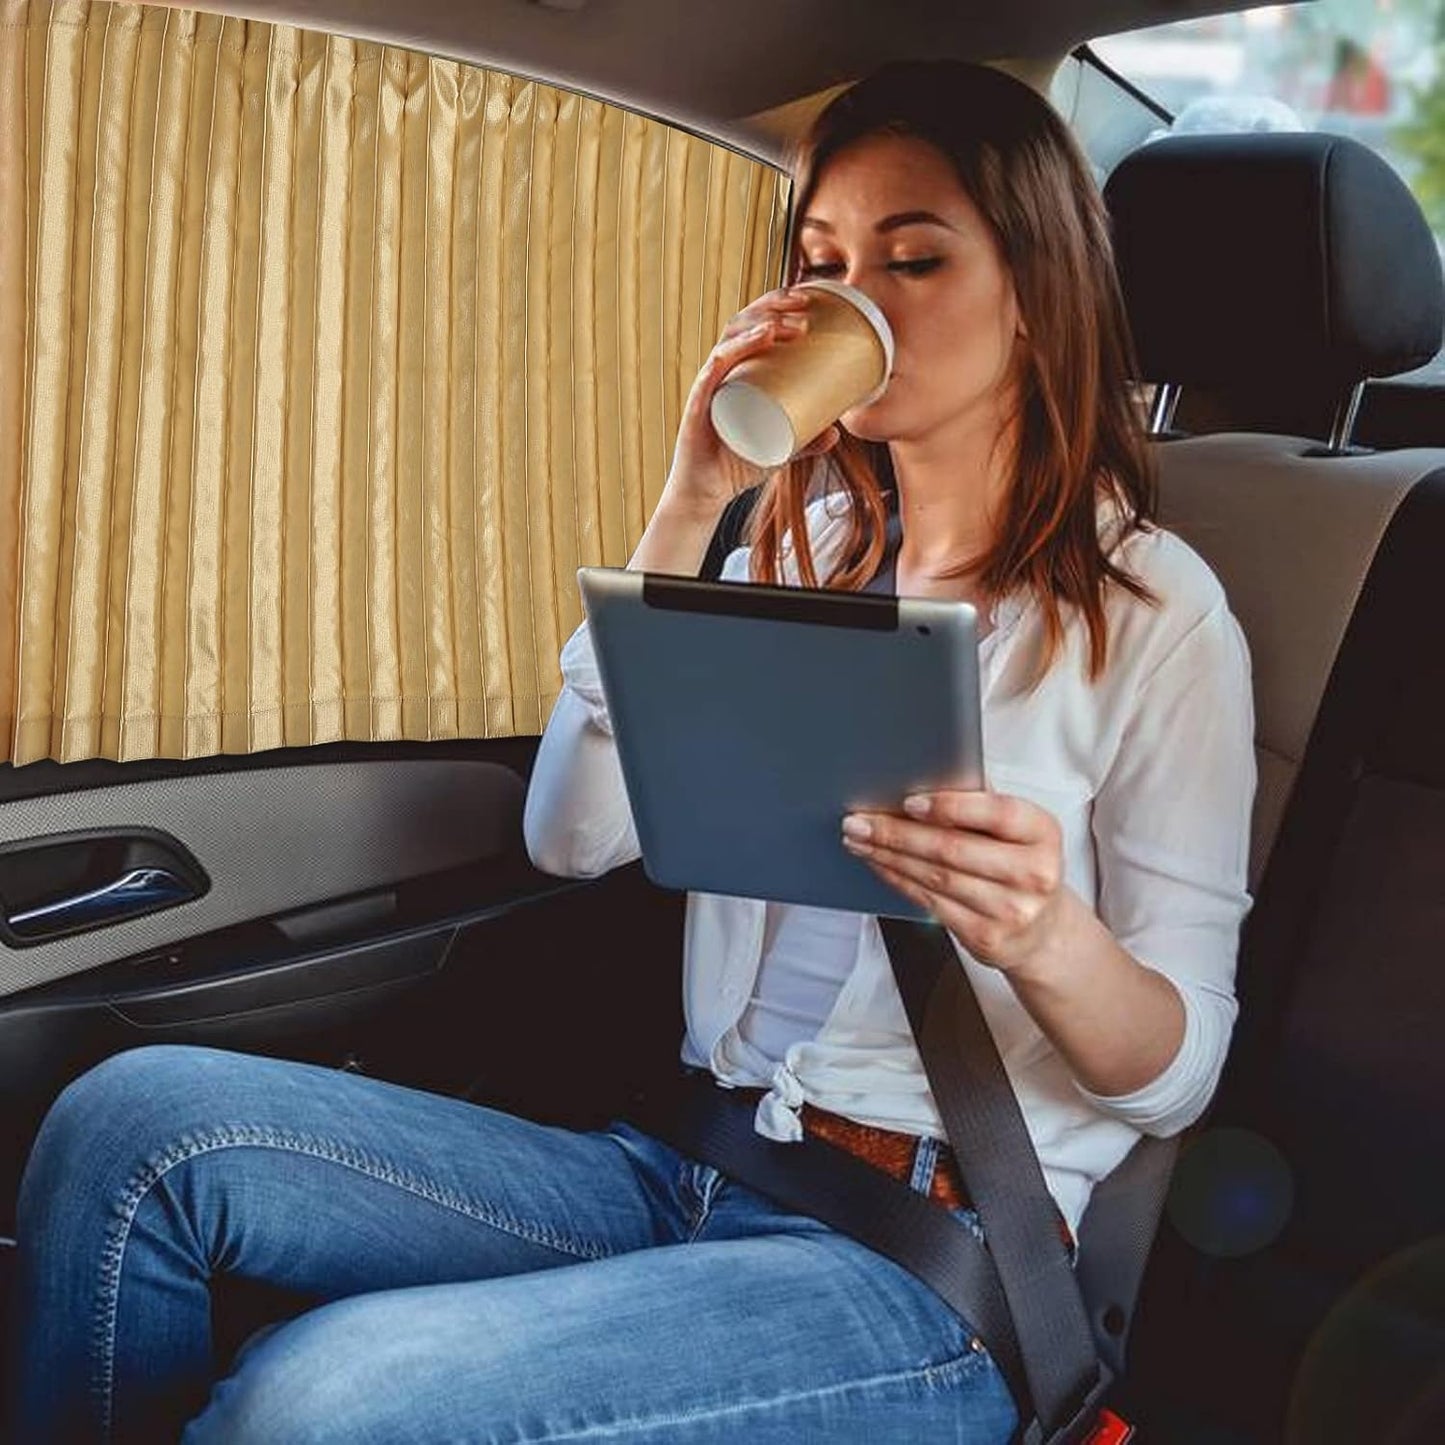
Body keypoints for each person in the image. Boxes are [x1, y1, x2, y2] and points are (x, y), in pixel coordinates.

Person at [7, 60, 1254, 1444]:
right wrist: (691, 501)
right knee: (128, 1128)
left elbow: (1178, 1067)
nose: (860, 302)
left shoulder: (1151, 614)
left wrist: (1043, 932)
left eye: (913, 259)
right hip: (691, 1160)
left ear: (1033, 292)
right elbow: (571, 835)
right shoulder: (807, 550)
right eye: (825, 262)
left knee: (315, 1400)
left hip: (915, 1264)